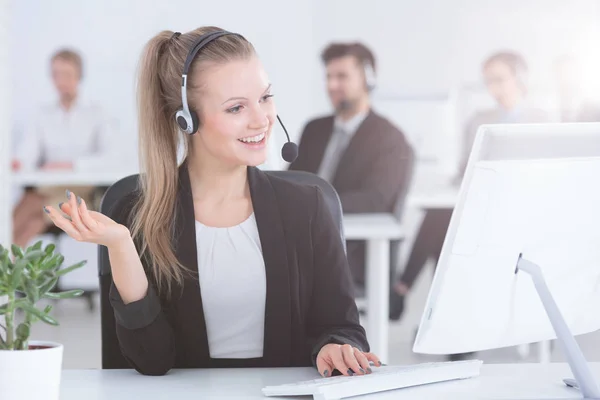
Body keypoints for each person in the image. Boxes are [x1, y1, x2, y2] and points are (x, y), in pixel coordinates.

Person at [44, 26, 381, 377]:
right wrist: (122, 246)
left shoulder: (308, 207)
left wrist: (335, 345)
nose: (261, 119)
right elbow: (152, 361)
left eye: (265, 97)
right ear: (186, 120)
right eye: (236, 107)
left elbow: (343, 327)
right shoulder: (138, 215)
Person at [390, 51, 550, 358]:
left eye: (499, 79)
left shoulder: (540, 120)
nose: (494, 87)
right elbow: (468, 167)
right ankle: (450, 321)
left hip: (517, 213)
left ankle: (407, 291)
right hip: (481, 204)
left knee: (442, 224)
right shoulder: (478, 120)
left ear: (520, 79)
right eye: (489, 81)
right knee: (443, 220)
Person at [289, 42, 414, 292]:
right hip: (300, 241)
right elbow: (291, 181)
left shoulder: (389, 137)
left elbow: (376, 199)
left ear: (368, 79)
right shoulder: (314, 129)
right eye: (329, 77)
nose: (332, 85)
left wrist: (316, 206)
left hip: (351, 252)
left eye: (342, 76)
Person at [12, 48, 116, 247]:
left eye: (67, 75)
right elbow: (28, 152)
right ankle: (8, 273)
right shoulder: (42, 114)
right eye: (56, 75)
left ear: (79, 76)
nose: (61, 81)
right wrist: (19, 162)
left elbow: (110, 158)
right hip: (48, 187)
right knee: (31, 220)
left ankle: (6, 272)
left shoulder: (97, 113)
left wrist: (71, 165)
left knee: (30, 207)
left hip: (81, 191)